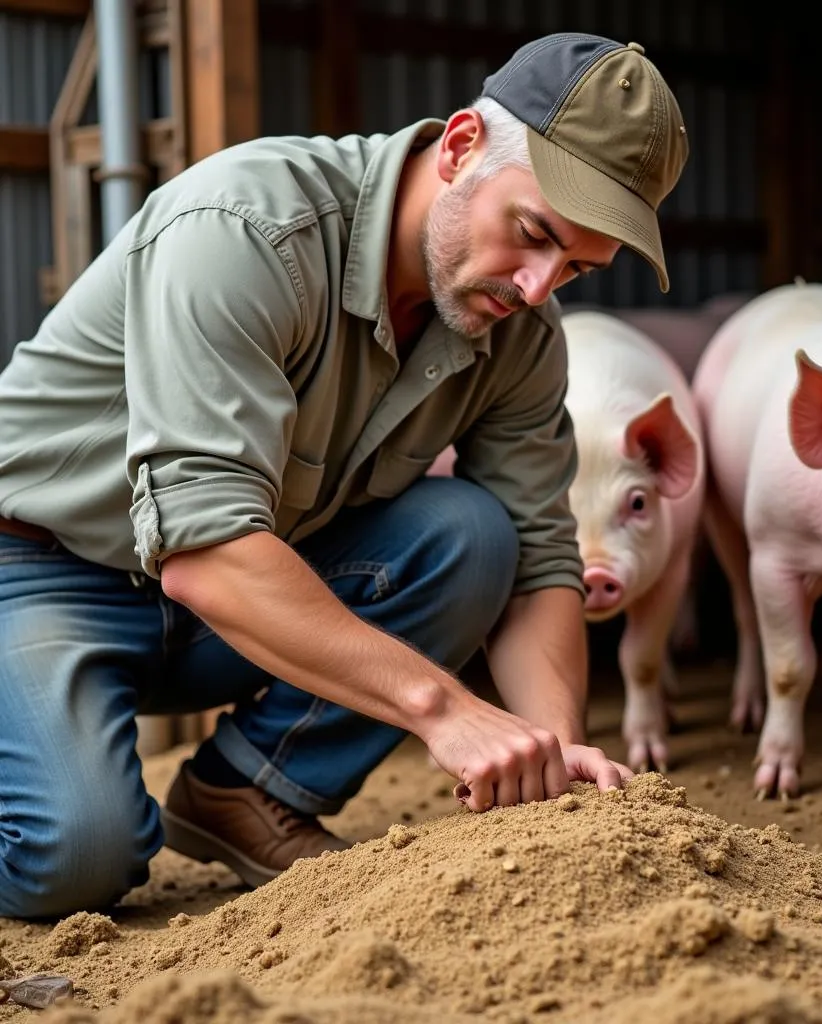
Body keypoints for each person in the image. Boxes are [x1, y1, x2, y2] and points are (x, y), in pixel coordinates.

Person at [0, 31, 688, 918]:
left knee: (474, 537)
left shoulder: (523, 332)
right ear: (461, 146)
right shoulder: (244, 230)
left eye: (578, 269)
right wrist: (447, 710)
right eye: (533, 235)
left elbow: (539, 553)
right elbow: (204, 550)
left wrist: (551, 758)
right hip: (41, 570)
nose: (536, 287)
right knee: (75, 857)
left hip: (233, 598)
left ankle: (248, 794)